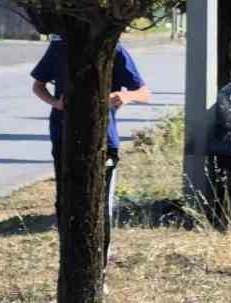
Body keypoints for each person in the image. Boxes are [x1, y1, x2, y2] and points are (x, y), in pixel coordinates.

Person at [31, 37, 151, 259]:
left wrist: (124, 95)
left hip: (103, 138)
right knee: (65, 201)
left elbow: (143, 92)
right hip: (63, 135)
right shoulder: (59, 46)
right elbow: (38, 86)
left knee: (99, 205)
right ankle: (70, 261)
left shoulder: (113, 47)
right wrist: (55, 103)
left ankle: (99, 264)